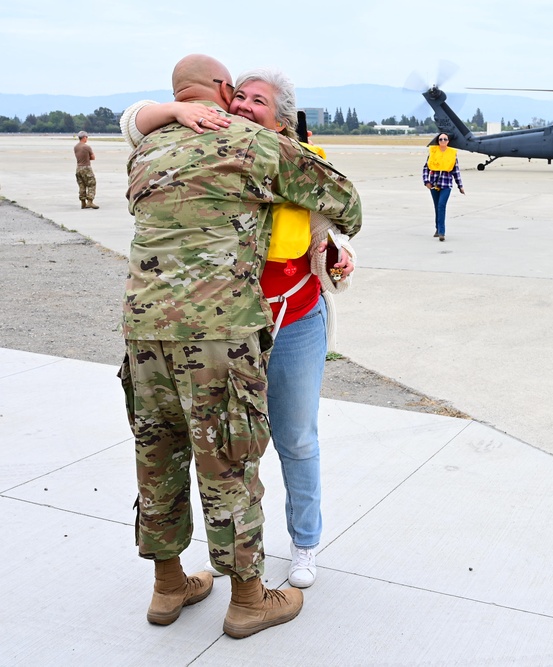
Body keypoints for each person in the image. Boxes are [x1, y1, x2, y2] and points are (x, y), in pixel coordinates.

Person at [118, 54, 361, 640]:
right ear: (224, 92)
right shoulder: (252, 142)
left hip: (143, 330)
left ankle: (168, 584)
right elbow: (344, 200)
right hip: (216, 332)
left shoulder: (145, 149)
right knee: (227, 460)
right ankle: (249, 599)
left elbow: (134, 120)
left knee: (158, 457)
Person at [422, 133, 464, 241]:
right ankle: (437, 228)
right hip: (434, 184)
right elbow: (425, 168)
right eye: (440, 139)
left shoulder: (452, 154)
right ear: (438, 141)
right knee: (437, 207)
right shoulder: (433, 153)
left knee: (441, 205)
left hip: (446, 185)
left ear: (448, 141)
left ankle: (442, 232)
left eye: (445, 139)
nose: (443, 141)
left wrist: (460, 186)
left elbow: (456, 171)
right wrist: (426, 181)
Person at [73, 131, 98, 209]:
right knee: (92, 183)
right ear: (84, 137)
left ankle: (83, 203)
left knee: (82, 185)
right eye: (87, 137)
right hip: (86, 167)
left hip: (78, 168)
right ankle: (90, 201)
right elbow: (93, 157)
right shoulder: (86, 147)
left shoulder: (76, 147)